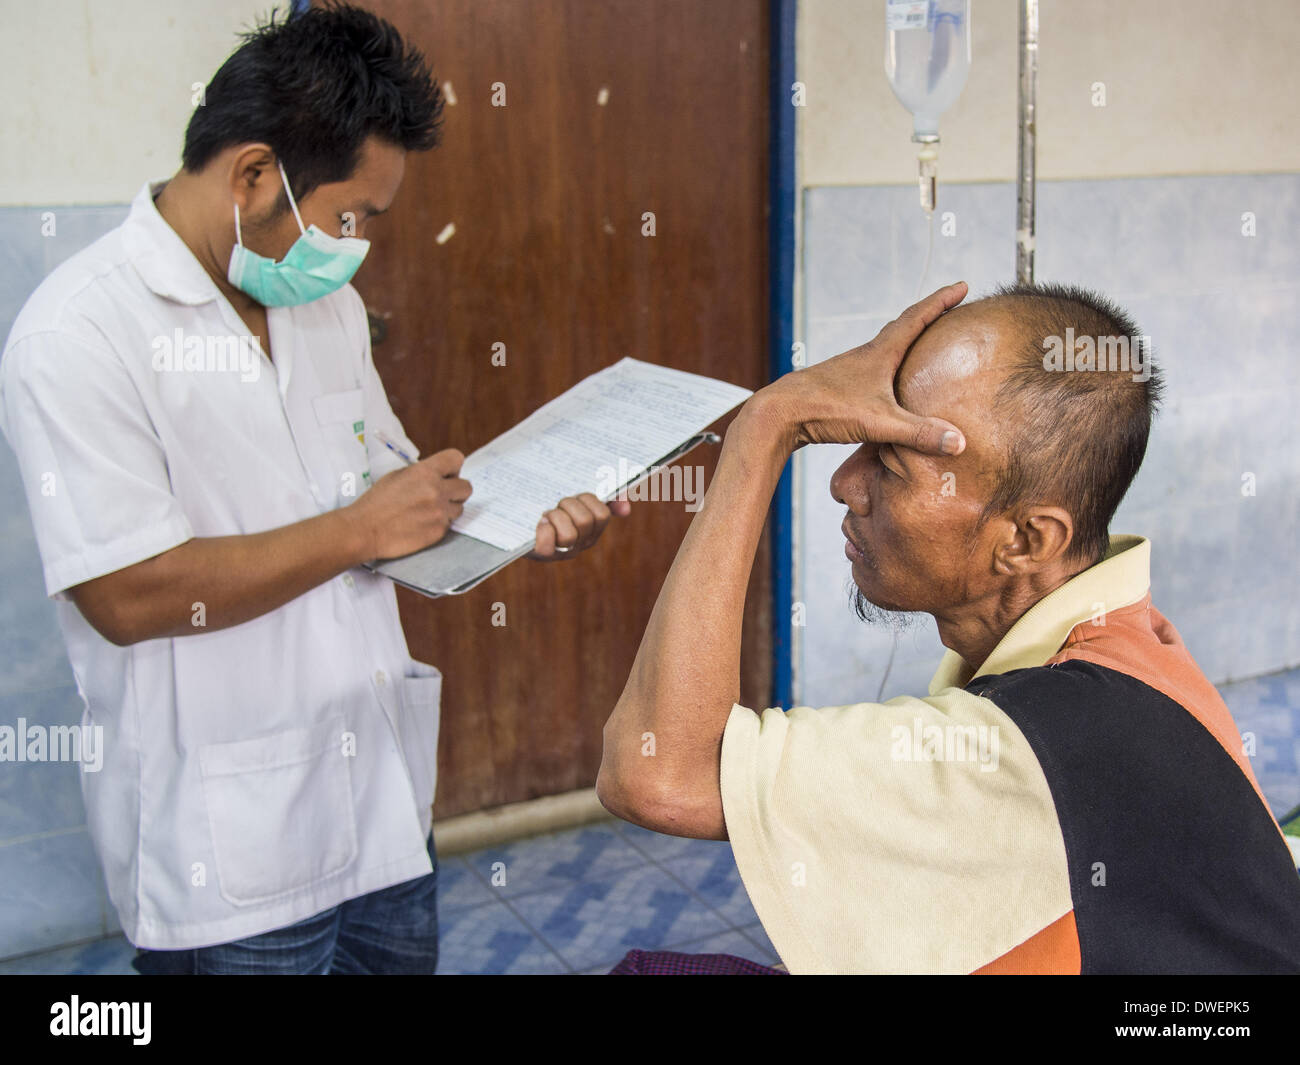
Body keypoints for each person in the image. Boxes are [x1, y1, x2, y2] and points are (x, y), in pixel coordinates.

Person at [0, 2, 627, 975]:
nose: (354, 243)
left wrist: (514, 525)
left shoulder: (322, 306)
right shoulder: (77, 332)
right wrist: (354, 530)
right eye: (347, 216)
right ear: (253, 175)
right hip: (225, 849)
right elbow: (124, 596)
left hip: (379, 805)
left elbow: (387, 498)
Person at [598, 280, 1300, 974]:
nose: (846, 481)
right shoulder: (1127, 633)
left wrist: (765, 426)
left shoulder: (1036, 745)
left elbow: (659, 774)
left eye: (892, 464)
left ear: (1027, 540)